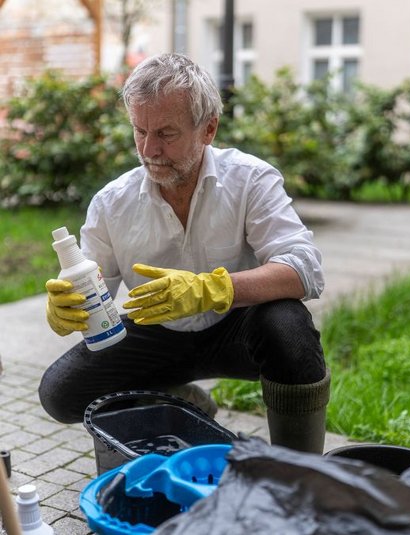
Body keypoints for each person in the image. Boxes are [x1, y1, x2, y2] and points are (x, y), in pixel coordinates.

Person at [40, 53, 330, 453]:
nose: (149, 149)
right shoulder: (111, 203)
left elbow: (305, 270)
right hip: (158, 329)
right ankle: (179, 401)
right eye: (139, 131)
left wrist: (213, 288)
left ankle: (299, 467)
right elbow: (93, 295)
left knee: (287, 324)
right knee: (60, 392)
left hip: (239, 328)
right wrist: (66, 311)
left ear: (208, 128)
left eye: (166, 133)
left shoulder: (250, 179)